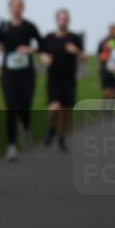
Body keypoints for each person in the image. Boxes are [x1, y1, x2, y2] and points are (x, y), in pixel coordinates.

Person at [0, 0, 42, 162]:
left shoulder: (30, 26)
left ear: (23, 8)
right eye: (14, 6)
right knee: (11, 107)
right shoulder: (4, 27)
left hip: (26, 72)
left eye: (19, 5)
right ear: (9, 8)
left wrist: (29, 49)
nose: (16, 8)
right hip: (9, 72)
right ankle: (12, 145)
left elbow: (41, 45)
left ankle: (26, 129)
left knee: (24, 106)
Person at [39, 8, 84, 152]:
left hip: (69, 80)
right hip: (54, 79)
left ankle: (61, 138)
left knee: (65, 112)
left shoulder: (75, 38)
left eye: (65, 18)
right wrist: (44, 58)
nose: (63, 21)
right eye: (60, 18)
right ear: (56, 20)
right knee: (54, 108)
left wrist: (75, 51)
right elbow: (41, 52)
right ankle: (52, 129)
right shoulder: (48, 38)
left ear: (68, 20)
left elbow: (85, 57)